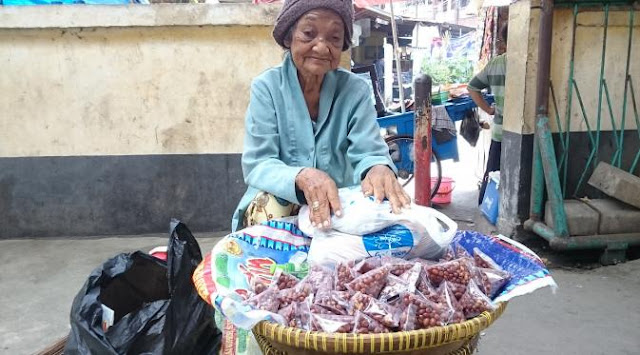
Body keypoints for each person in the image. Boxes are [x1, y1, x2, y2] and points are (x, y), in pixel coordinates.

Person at [231, 0, 411, 232]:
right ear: (289, 37)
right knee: (273, 206)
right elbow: (258, 163)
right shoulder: (267, 87)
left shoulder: (355, 91)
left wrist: (378, 167)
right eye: (309, 34)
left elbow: (370, 151)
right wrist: (302, 176)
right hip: (284, 207)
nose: (321, 47)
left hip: (339, 206)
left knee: (385, 206)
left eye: (334, 38)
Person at [468, 24, 508, 205]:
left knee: (493, 171)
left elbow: (472, 87)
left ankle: (486, 204)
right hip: (526, 133)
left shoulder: (496, 64)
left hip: (500, 131)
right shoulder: (532, 63)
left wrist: (489, 109)